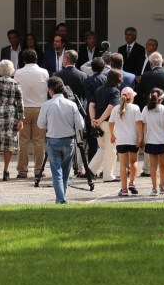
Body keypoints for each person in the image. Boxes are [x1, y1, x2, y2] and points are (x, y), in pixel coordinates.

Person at [39, 76, 84, 204]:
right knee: (65, 171)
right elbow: (80, 124)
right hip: (68, 140)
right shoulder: (71, 104)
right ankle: (61, 197)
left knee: (56, 172)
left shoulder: (47, 105)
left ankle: (60, 199)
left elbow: (40, 124)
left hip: (53, 140)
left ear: (51, 90)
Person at [13, 49, 51, 180]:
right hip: (40, 108)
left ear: (23, 60)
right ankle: (39, 169)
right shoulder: (44, 72)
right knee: (39, 141)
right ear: (36, 59)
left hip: (23, 108)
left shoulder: (18, 72)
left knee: (23, 141)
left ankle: (22, 170)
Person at [140, 87, 164, 195]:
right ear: (162, 98)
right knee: (162, 165)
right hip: (163, 140)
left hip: (151, 141)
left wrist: (142, 139)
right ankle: (162, 186)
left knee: (153, 166)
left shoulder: (146, 109)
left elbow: (143, 125)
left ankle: (154, 188)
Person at [90, 65, 123, 180]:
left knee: (103, 148)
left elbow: (91, 105)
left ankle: (90, 170)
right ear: (118, 79)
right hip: (109, 124)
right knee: (111, 150)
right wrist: (100, 120)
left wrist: (93, 119)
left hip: (98, 124)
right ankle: (108, 175)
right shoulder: (115, 91)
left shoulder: (99, 90)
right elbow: (111, 107)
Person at [108, 87, 142, 196]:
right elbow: (139, 123)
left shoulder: (116, 108)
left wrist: (112, 134)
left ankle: (124, 188)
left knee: (123, 164)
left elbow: (111, 123)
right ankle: (132, 182)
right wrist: (141, 137)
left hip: (121, 140)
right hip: (133, 139)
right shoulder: (135, 108)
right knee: (134, 162)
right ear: (131, 97)